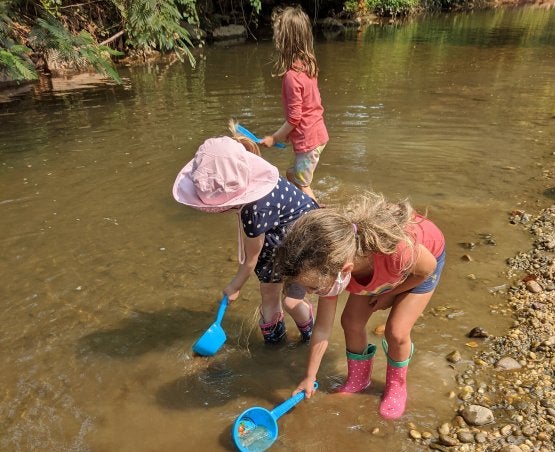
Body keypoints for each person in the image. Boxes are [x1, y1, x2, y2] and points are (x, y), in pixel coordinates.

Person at [275, 191, 446, 419]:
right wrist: (310, 376)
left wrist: (390, 293)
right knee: (350, 321)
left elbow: (427, 269)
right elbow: (323, 329)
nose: (310, 294)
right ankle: (359, 379)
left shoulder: (399, 253)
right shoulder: (330, 264)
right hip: (378, 271)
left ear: (344, 271)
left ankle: (396, 385)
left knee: (396, 331)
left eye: (314, 288)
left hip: (421, 267)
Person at [172, 134, 318, 344]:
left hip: (305, 240)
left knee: (291, 302)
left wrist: (235, 286)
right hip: (279, 231)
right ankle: (276, 346)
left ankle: (310, 339)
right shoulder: (254, 180)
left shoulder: (255, 211)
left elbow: (252, 258)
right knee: (269, 296)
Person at [260, 5, 329, 203]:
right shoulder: (308, 65)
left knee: (302, 183)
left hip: (309, 142)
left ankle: (320, 217)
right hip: (317, 135)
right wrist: (289, 135)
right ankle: (301, 208)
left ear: (283, 41)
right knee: (292, 176)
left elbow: (294, 117)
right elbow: (307, 108)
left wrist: (274, 138)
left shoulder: (292, 77)